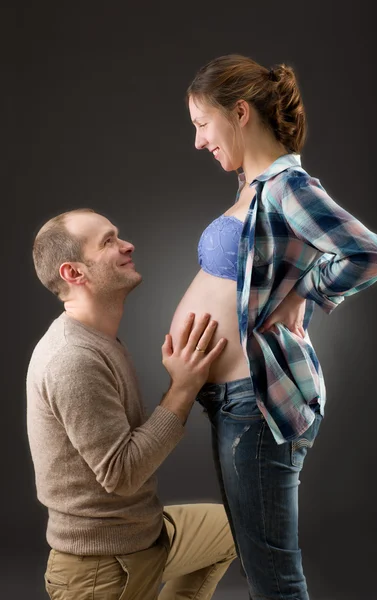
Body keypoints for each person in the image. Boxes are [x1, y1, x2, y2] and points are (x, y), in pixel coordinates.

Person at [168, 54, 377, 600]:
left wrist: (307, 291)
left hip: (257, 402)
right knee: (258, 564)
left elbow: (370, 254)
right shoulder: (253, 186)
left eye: (202, 124)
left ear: (239, 112)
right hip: (232, 400)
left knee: (273, 577)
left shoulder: (288, 185)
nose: (198, 141)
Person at [26, 208, 237, 600]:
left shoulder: (98, 340)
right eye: (108, 241)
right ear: (74, 273)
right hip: (100, 570)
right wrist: (183, 387)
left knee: (236, 528)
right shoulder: (72, 359)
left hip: (144, 535)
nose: (127, 245)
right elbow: (121, 474)